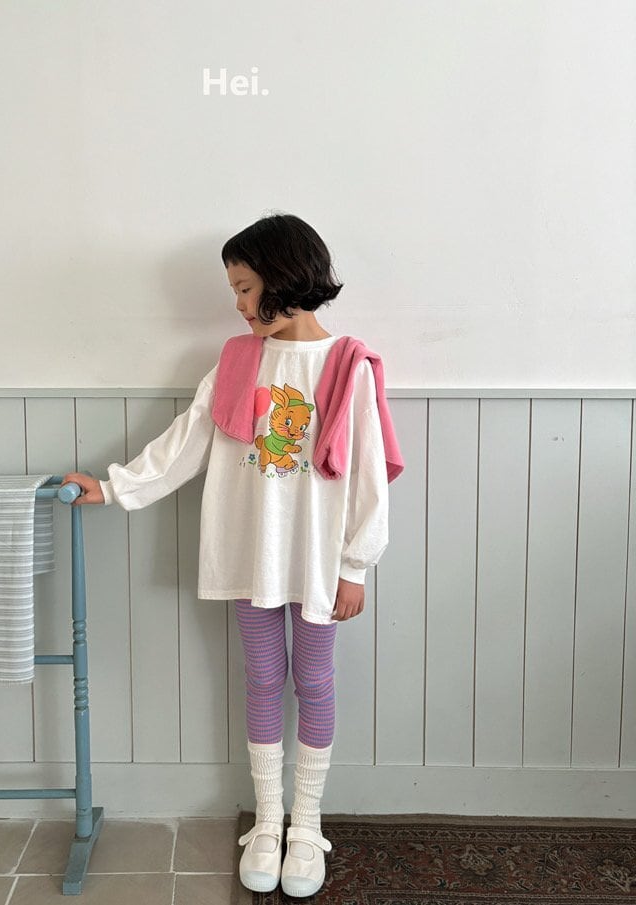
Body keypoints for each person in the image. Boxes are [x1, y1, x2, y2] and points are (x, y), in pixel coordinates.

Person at [63, 212, 401, 897]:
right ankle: (269, 819)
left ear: (284, 277)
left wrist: (355, 565)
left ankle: (307, 823)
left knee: (315, 680)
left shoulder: (347, 365)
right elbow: (186, 441)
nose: (239, 304)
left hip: (316, 560)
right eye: (235, 291)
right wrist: (115, 487)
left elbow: (367, 472)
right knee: (262, 678)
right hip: (253, 553)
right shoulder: (238, 360)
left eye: (245, 288)